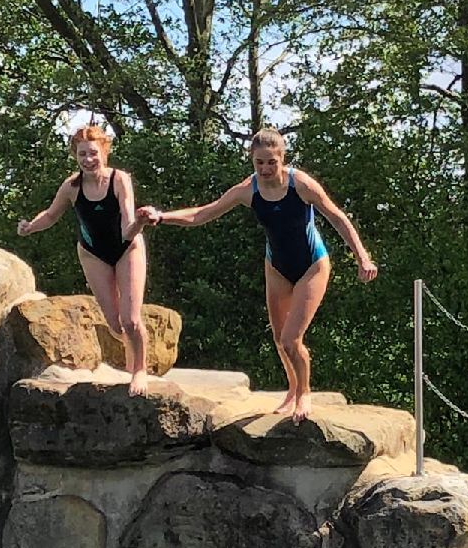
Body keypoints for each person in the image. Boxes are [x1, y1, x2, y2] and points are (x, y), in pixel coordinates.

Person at [138, 128, 377, 423]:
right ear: (252, 159)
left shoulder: (300, 184)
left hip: (312, 264)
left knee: (291, 339)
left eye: (271, 162)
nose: (265, 169)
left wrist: (362, 257)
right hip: (276, 266)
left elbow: (338, 218)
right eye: (259, 162)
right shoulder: (247, 190)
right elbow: (203, 213)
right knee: (279, 338)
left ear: (282, 158)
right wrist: (162, 217)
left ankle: (304, 393)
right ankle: (292, 389)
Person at [18, 125, 151, 396]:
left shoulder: (119, 180)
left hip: (127, 247)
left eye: (93, 153)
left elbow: (127, 228)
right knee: (116, 326)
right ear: (75, 156)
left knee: (130, 320)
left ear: (104, 152)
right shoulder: (71, 186)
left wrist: (140, 222)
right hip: (93, 253)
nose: (88, 160)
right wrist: (30, 226)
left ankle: (139, 369)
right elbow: (51, 215)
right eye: (82, 155)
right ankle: (133, 349)